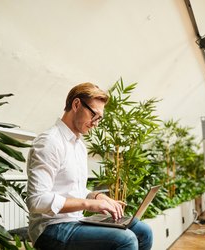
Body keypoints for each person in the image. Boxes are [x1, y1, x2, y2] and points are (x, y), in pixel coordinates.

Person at [26, 82, 153, 250]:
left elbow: (73, 191)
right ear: (76, 104)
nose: (96, 123)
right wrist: (90, 205)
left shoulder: (79, 145)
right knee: (125, 239)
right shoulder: (50, 142)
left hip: (75, 221)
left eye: (99, 118)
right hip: (51, 228)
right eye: (94, 115)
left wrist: (96, 197)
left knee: (143, 230)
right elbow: (37, 201)